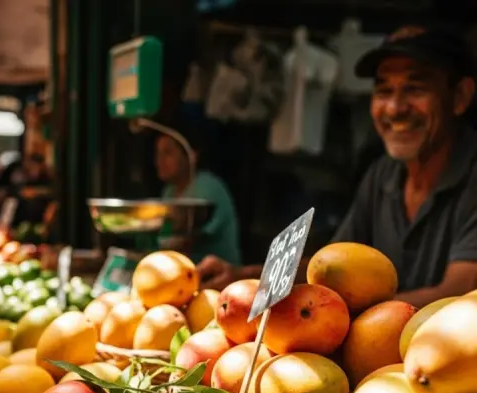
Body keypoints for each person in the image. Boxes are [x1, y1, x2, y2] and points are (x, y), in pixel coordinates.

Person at [199, 25, 477, 308]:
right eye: (383, 90)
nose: (394, 108)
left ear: (459, 97)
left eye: (415, 89)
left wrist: (345, 315)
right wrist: (245, 277)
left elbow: (458, 293)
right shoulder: (382, 175)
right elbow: (331, 268)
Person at [153, 130, 242, 265]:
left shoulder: (208, 187)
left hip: (218, 276)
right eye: (157, 153)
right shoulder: (169, 191)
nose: (159, 161)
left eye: (168, 153)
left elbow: (188, 240)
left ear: (191, 155)